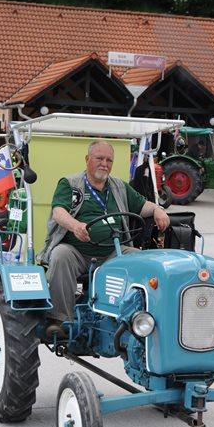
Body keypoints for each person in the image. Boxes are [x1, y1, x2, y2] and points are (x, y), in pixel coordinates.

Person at [39, 140, 170, 338]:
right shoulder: (70, 184)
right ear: (87, 159)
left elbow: (143, 206)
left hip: (113, 252)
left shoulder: (119, 186)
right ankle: (60, 319)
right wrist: (75, 226)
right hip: (78, 252)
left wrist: (157, 210)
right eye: (99, 158)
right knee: (60, 256)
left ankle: (143, 320)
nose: (104, 164)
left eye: (109, 160)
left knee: (145, 262)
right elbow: (58, 212)